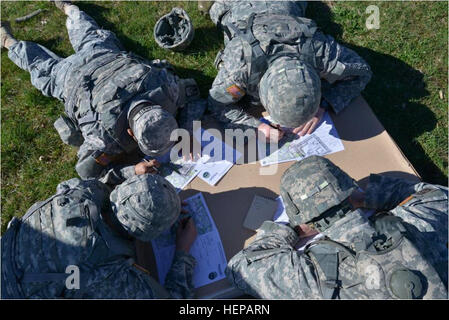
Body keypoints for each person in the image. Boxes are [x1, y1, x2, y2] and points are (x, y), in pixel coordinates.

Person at [0, 1, 205, 182]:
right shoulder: (103, 135)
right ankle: (7, 40)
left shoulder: (162, 85)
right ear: (130, 133)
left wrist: (187, 132)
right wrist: (131, 171)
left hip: (101, 54)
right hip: (71, 77)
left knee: (85, 30)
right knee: (40, 67)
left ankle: (67, 8)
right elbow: (86, 171)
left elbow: (193, 94)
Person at [226, 156, 448, 299]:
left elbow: (239, 268)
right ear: (350, 191)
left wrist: (291, 232)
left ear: (303, 219)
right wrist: (368, 197)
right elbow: (439, 196)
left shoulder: (307, 277)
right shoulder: (415, 225)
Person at [1, 174, 198, 299]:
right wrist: (182, 252)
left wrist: (162, 200)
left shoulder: (80, 194)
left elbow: (104, 184)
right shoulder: (108, 274)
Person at [207, 1, 372, 142]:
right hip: (236, 5)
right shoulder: (240, 66)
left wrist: (323, 105)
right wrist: (257, 128)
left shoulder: (320, 52)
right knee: (213, 8)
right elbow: (217, 103)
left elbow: (361, 71)